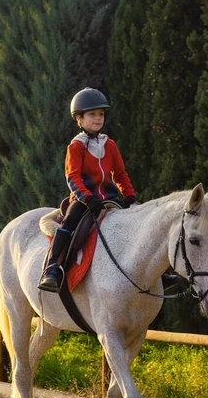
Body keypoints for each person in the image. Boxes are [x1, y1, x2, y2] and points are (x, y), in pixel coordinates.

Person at [38, 87, 138, 292]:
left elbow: (120, 174)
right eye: (92, 114)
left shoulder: (109, 144)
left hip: (110, 200)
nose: (98, 118)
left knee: (137, 225)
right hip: (84, 201)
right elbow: (72, 177)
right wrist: (86, 197)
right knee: (70, 222)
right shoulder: (76, 146)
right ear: (79, 119)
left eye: (101, 114)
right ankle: (53, 267)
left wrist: (129, 196)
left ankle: (159, 275)